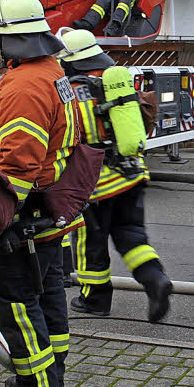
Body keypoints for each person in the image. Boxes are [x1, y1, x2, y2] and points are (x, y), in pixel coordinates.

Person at [0, 0, 87, 387]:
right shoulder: (52, 73)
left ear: (10, 41)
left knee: (18, 304)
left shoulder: (24, 85)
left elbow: (18, 161)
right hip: (48, 212)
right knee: (46, 300)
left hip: (23, 217)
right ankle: (52, 375)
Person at [56, 30, 173, 322]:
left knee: (88, 242)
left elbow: (69, 138)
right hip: (132, 174)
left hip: (96, 185)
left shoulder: (70, 93)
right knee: (132, 235)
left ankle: (94, 300)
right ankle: (154, 279)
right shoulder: (115, 83)